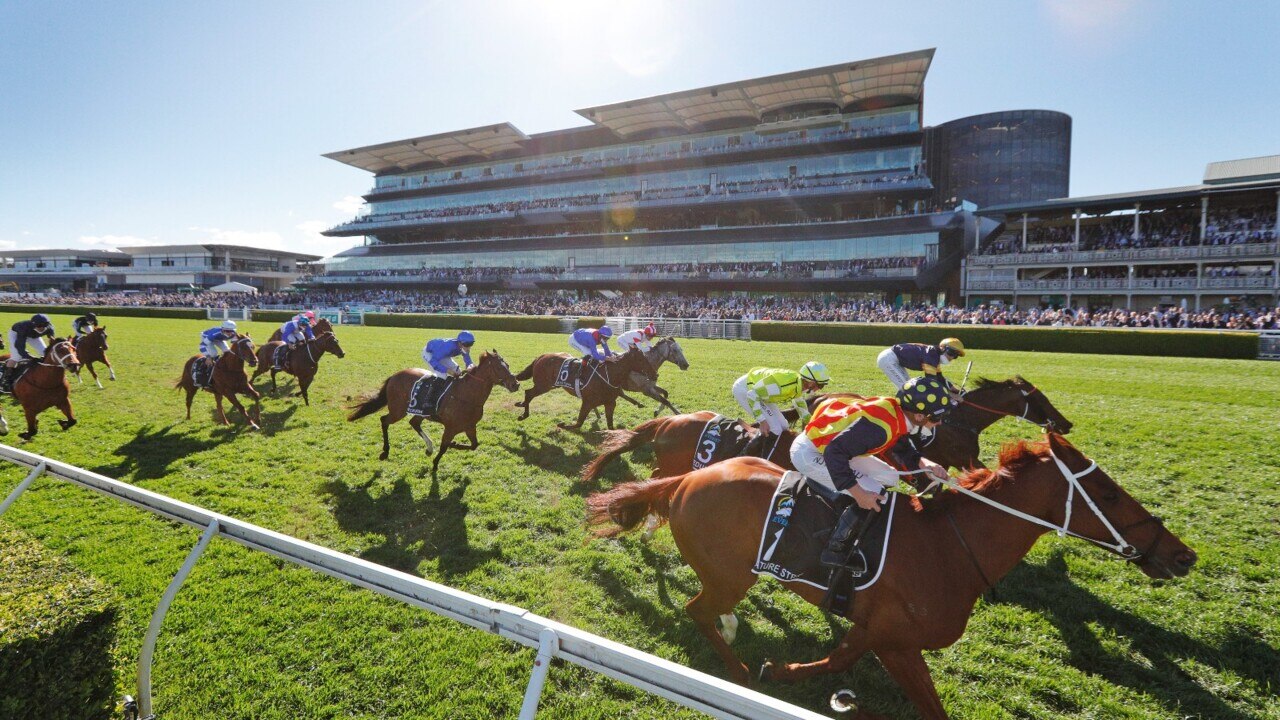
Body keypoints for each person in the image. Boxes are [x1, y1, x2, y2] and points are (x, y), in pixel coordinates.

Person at [789, 376, 952, 574]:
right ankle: (835, 550)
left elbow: (898, 442)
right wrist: (859, 493)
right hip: (812, 453)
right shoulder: (880, 428)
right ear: (919, 416)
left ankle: (854, 510)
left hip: (833, 448)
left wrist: (925, 463)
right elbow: (834, 453)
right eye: (936, 417)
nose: (940, 422)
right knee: (874, 493)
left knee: (890, 478)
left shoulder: (897, 411)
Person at [731, 362, 830, 448]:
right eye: (821, 385)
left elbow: (800, 404)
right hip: (745, 390)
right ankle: (751, 452)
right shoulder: (785, 385)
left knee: (784, 425)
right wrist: (762, 421)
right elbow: (752, 395)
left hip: (758, 393)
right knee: (775, 428)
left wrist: (814, 424)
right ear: (811, 382)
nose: (820, 389)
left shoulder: (798, 384)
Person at [876, 338, 966, 392]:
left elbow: (939, 377)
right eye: (951, 352)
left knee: (909, 387)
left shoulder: (935, 357)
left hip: (892, 358)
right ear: (942, 348)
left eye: (955, 356)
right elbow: (931, 381)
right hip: (888, 359)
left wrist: (953, 388)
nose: (952, 357)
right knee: (907, 389)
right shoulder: (932, 355)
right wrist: (950, 395)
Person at [2, 314, 56, 390]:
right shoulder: (23, 328)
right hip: (16, 334)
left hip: (34, 336)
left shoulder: (50, 328)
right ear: (34, 324)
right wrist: (29, 357)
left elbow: (52, 342)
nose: (42, 328)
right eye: (39, 325)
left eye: (45, 325)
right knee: (17, 356)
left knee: (45, 353)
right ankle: (7, 378)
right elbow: (20, 346)